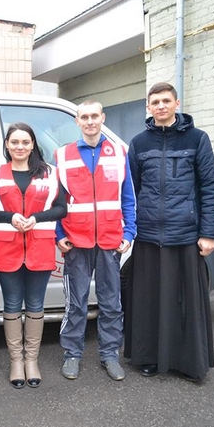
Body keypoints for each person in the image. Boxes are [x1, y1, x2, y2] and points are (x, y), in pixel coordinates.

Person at [124, 82, 214, 382]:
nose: (161, 106)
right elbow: (131, 191)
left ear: (177, 103)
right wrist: (131, 230)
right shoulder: (139, 143)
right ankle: (148, 357)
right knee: (148, 301)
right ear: (148, 107)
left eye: (166, 100)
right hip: (149, 237)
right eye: (155, 102)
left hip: (185, 236)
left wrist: (208, 233)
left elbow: (210, 188)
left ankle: (188, 362)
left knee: (186, 302)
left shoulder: (197, 139)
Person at [55, 100, 136, 381]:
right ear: (77, 121)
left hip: (110, 240)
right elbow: (58, 201)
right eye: (84, 117)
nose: (90, 121)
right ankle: (72, 354)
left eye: (94, 116)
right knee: (75, 303)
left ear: (103, 118)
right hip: (76, 241)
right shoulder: (62, 155)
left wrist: (129, 232)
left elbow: (127, 197)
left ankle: (110, 354)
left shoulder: (119, 152)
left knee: (111, 302)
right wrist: (59, 234)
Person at [0, 123, 66, 389]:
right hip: (8, 247)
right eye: (15, 142)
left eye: (25, 142)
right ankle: (16, 361)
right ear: (7, 145)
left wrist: (35, 218)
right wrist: (10, 217)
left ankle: (32, 360)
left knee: (35, 304)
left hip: (40, 246)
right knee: (11, 304)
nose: (20, 147)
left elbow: (62, 209)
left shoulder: (50, 173)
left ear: (33, 145)